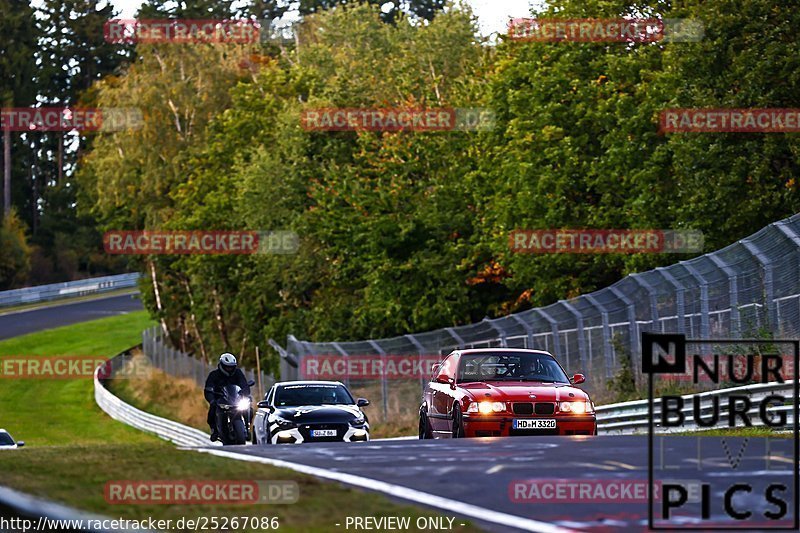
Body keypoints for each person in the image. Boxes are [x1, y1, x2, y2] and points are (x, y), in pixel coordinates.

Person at [205, 353, 251, 442]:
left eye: (231, 367)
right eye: (227, 367)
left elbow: (244, 385)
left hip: (236, 400)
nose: (229, 369)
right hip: (221, 400)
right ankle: (214, 430)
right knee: (212, 408)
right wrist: (212, 400)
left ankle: (247, 427)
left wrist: (246, 394)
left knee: (248, 407)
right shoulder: (214, 375)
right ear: (222, 365)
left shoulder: (238, 373)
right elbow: (208, 389)